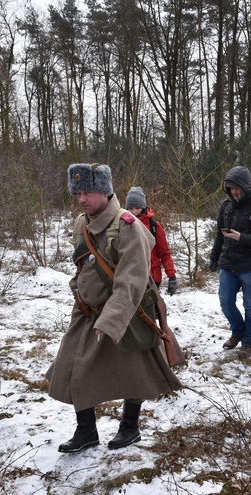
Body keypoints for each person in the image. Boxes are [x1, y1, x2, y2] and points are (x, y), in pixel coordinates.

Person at [46, 163, 183, 454]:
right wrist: (77, 290)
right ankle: (86, 432)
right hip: (86, 310)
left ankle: (129, 428)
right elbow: (81, 265)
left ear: (106, 192)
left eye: (90, 192)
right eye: (78, 192)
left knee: (136, 371)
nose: (82, 199)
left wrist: (111, 321)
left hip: (128, 312)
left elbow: (132, 280)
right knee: (73, 369)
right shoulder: (81, 223)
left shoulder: (127, 225)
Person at [209, 165, 251, 357]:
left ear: (246, 186)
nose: (234, 192)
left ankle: (248, 341)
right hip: (228, 262)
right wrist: (214, 258)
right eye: (230, 188)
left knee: (250, 305)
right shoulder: (225, 206)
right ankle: (237, 331)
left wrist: (241, 237)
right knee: (225, 302)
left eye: (237, 187)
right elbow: (220, 236)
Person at [125, 186, 178, 295]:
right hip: (128, 277)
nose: (134, 212)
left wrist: (172, 276)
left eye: (137, 207)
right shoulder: (122, 225)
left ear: (143, 207)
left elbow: (164, 253)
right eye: (131, 208)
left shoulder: (155, 227)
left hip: (152, 278)